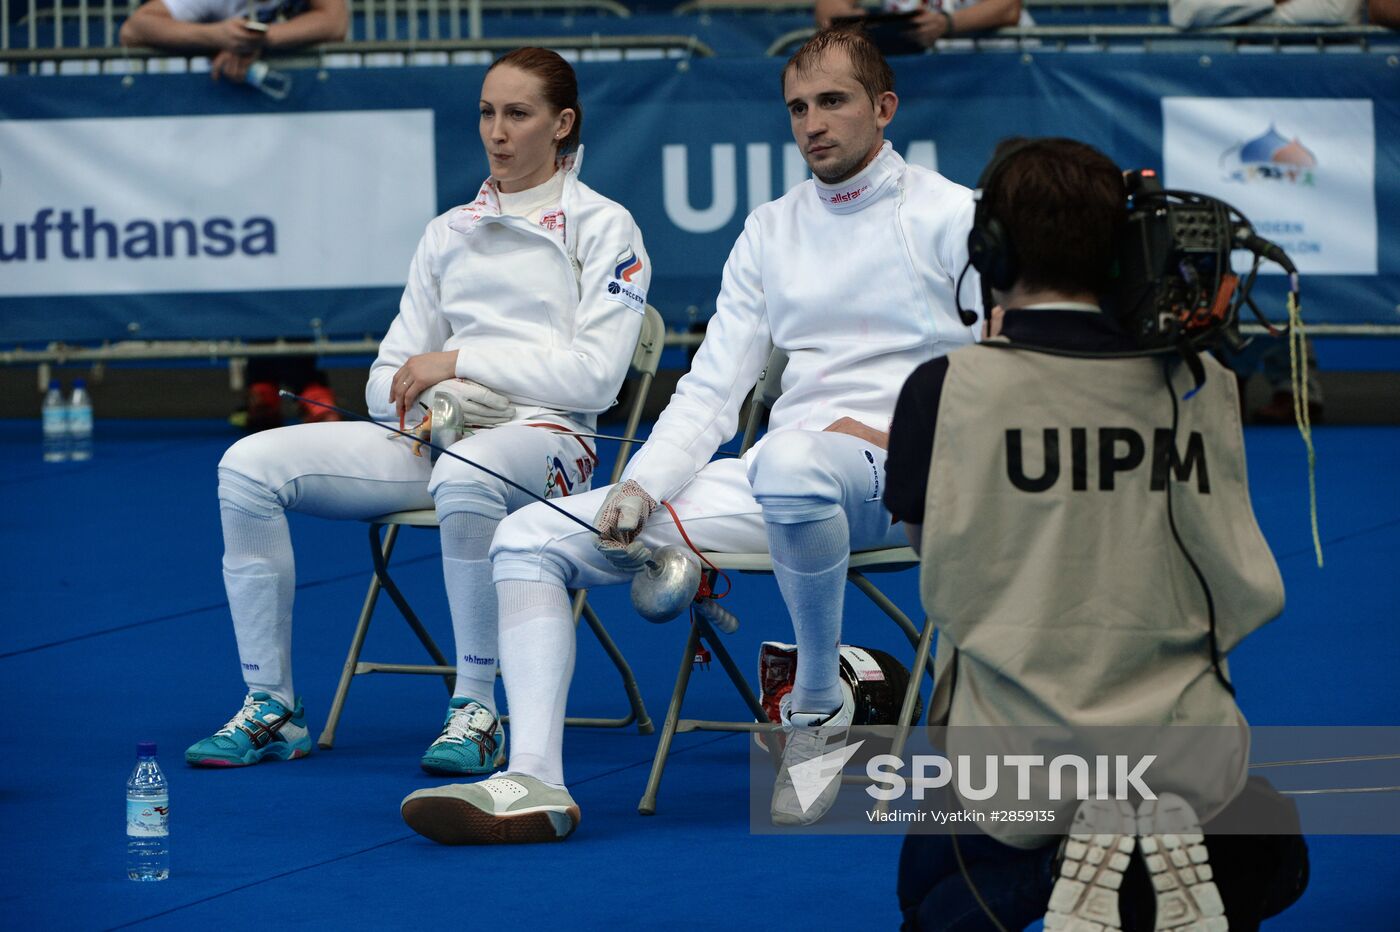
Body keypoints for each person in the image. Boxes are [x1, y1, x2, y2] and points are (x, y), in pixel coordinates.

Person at [398, 27, 980, 845]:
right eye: (799, 107)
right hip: (789, 481)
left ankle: (816, 709)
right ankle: (535, 778)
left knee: (789, 459)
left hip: (909, 482)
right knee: (531, 536)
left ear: (884, 109)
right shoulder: (770, 230)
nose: (813, 122)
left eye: (835, 102)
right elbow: (710, 392)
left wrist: (910, 425)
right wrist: (642, 485)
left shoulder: (954, 215)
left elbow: (1007, 365)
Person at [184, 48, 652, 777]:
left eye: (518, 114)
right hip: (441, 438)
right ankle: (271, 705)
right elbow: (384, 381)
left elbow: (593, 380)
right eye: (487, 113)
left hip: (552, 441)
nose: (497, 132)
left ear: (562, 124)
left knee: (465, 475)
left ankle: (477, 709)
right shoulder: (449, 231)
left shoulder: (605, 226)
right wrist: (438, 401)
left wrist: (459, 364)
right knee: (246, 468)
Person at [883, 137, 1308, 930]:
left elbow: (928, 544)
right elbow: (1234, 573)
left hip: (1014, 768)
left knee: (930, 895)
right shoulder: (1201, 379)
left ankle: (1056, 868)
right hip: (1186, 754)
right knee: (1274, 848)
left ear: (991, 249)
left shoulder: (945, 389)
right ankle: (1146, 869)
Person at [119, 0, 349, 84]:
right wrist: (216, 36)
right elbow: (133, 30)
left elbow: (335, 22)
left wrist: (257, 40)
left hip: (310, 97)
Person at [814, 0, 1030, 50]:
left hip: (999, 61)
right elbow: (829, 9)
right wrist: (849, 20)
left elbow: (1009, 7)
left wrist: (946, 24)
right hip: (925, 69)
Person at [1168, 0, 1363, 28]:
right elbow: (1186, 12)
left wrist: (1237, 16)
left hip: (1326, 78)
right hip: (1236, 78)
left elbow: (1337, 10)